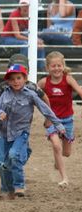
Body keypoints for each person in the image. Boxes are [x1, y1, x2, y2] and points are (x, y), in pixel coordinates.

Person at [0, 64, 65, 199]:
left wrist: (58, 125)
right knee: (0, 162)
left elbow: (45, 109)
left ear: (25, 79)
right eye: (12, 79)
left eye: (19, 78)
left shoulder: (30, 95)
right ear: (8, 81)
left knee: (13, 155)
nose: (16, 81)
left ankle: (19, 185)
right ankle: (7, 188)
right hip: (3, 132)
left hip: (21, 132)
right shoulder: (4, 94)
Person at [37, 51, 82, 188]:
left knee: (66, 153)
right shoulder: (44, 82)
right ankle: (64, 178)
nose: (56, 68)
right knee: (56, 146)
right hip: (52, 120)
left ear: (63, 66)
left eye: (59, 65)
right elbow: (32, 94)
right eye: (53, 66)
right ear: (47, 68)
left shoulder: (68, 79)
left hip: (67, 120)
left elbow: (79, 91)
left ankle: (58, 161)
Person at [0, 53, 49, 117]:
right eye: (15, 70)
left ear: (27, 73)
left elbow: (45, 98)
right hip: (5, 123)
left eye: (23, 70)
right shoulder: (3, 86)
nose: (16, 81)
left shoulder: (32, 87)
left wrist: (48, 118)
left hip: (23, 124)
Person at [0, 0, 46, 69]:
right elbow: (17, 35)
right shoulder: (15, 14)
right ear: (20, 6)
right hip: (6, 38)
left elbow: (29, 32)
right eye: (23, 5)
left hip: (18, 37)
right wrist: (33, 40)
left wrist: (37, 40)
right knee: (25, 44)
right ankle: (22, 68)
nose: (25, 7)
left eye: (27, 5)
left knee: (40, 45)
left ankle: (40, 68)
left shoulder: (31, 15)